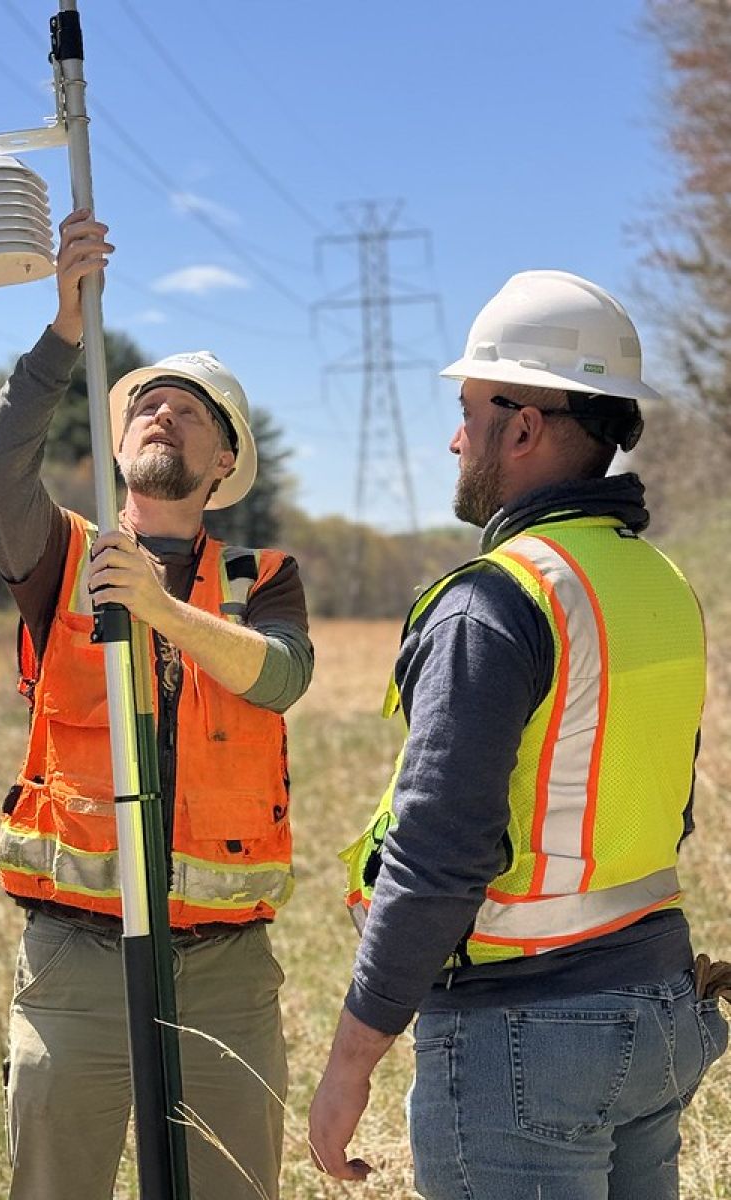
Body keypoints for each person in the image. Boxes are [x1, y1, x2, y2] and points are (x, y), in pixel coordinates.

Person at [308, 269, 728, 1200]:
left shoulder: (494, 603)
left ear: (525, 424)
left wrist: (348, 1065)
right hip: (659, 1009)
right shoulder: (660, 586)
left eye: (467, 409)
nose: (457, 437)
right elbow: (668, 807)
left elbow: (438, 857)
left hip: (526, 1039)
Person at [0, 209, 313, 1200]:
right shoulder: (57, 556)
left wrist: (162, 609)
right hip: (76, 962)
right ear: (118, 448)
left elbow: (280, 676)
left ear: (221, 464)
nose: (164, 416)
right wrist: (65, 330)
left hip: (225, 975)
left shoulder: (263, 577)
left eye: (190, 412)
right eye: (145, 407)